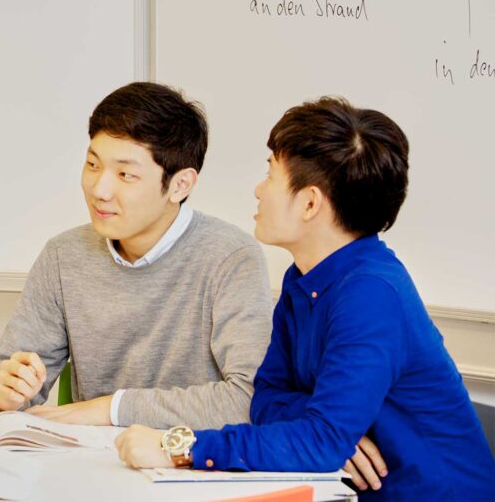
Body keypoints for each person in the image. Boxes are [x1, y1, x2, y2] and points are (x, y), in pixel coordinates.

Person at [114, 97, 495, 500]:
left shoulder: (370, 295)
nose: (259, 190)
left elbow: (320, 441)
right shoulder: (304, 279)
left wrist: (181, 446)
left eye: (271, 175)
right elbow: (268, 399)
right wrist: (324, 431)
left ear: (310, 202)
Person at [0, 82, 272, 430]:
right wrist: (2, 397)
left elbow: (251, 399)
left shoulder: (230, 257)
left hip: (191, 468)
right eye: (93, 165)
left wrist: (111, 409)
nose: (100, 190)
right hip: (91, 465)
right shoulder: (64, 256)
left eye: (126, 174)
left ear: (180, 185)